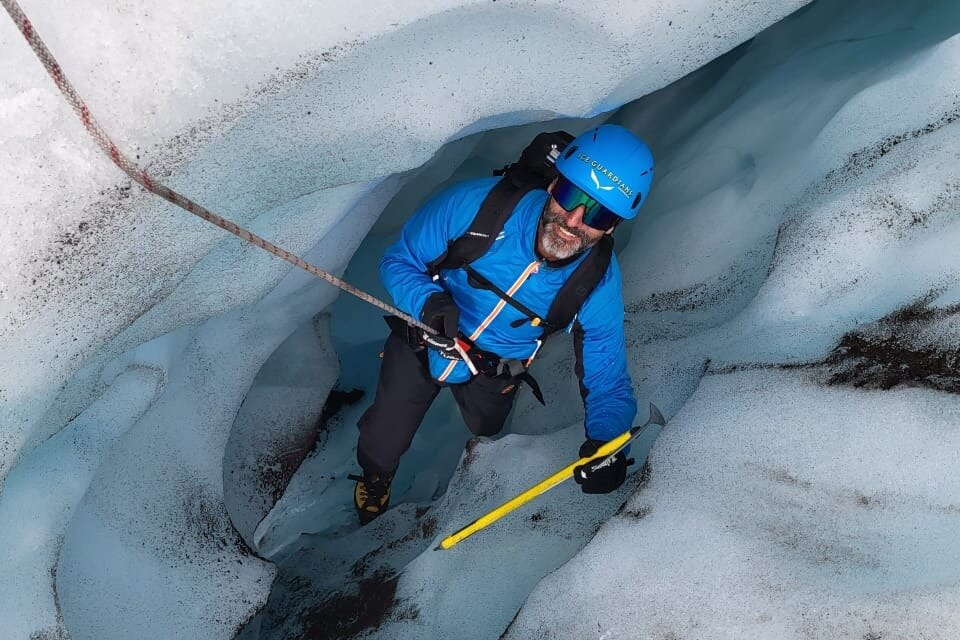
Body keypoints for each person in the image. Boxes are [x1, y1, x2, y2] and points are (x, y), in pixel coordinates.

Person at [349, 124, 655, 525]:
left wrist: (608, 443)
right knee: (383, 435)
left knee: (485, 425)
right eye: (570, 195)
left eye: (596, 212)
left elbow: (607, 377)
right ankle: (376, 475)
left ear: (611, 226)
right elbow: (399, 258)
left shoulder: (594, 282)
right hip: (426, 336)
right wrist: (428, 303)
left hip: (497, 367)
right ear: (553, 185)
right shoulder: (477, 207)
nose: (573, 220)